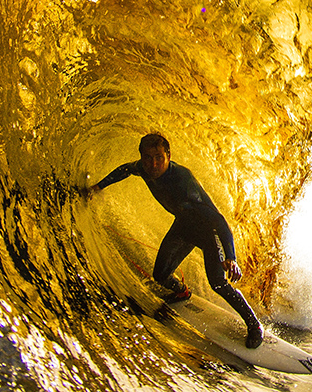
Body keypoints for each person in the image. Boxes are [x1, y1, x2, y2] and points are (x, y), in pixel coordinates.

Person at [84, 133, 264, 348]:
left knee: (218, 283)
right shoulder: (142, 168)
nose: (153, 164)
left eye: (159, 158)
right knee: (160, 275)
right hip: (183, 227)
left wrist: (230, 257)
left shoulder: (182, 181)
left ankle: (254, 325)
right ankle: (181, 292)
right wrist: (99, 186)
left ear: (169, 156)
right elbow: (125, 169)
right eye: (148, 158)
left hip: (208, 232)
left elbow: (218, 220)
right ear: (141, 157)